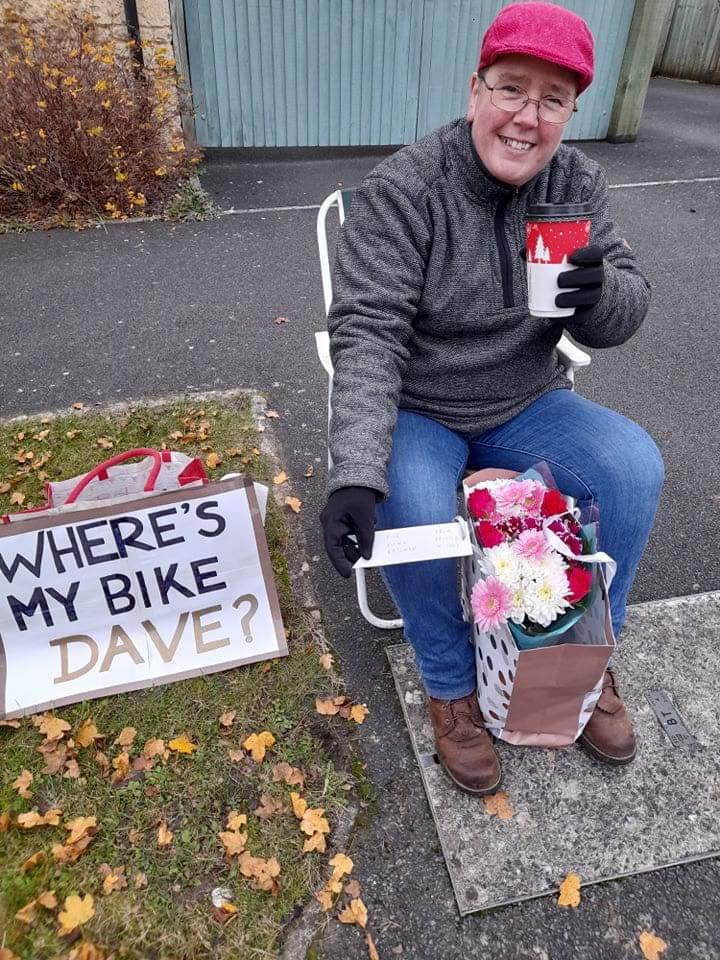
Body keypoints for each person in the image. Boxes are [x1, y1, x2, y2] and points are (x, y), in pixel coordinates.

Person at [320, 2, 664, 795]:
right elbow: (367, 331)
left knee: (632, 468)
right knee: (407, 502)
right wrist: (354, 472)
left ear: (571, 111)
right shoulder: (407, 188)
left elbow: (629, 304)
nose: (527, 117)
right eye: (511, 89)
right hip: (422, 404)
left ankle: (578, 662)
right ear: (474, 89)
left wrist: (596, 294)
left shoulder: (576, 181)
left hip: (527, 397)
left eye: (552, 100)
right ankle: (451, 689)